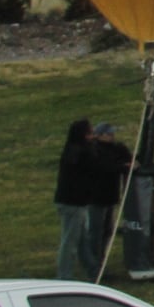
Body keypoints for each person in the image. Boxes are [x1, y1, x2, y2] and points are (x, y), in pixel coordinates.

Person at [52, 120, 109, 280]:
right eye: (90, 133)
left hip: (75, 202)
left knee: (82, 241)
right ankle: (64, 277)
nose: (92, 136)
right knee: (69, 243)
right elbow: (95, 166)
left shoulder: (73, 149)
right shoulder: (80, 152)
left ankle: (93, 270)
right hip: (73, 203)